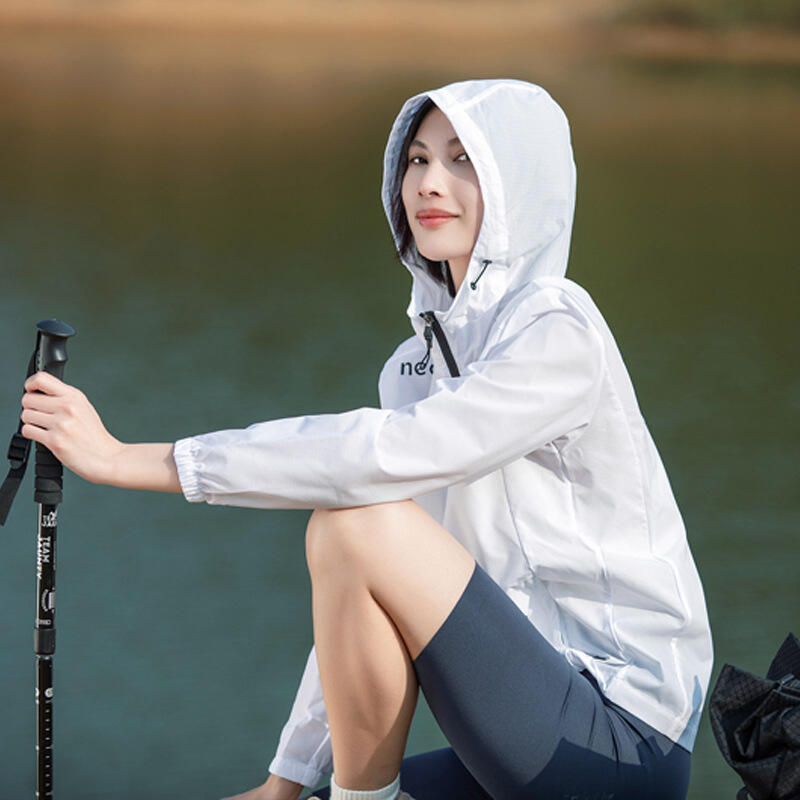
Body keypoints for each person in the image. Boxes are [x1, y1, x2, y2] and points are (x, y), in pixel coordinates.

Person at [20, 79, 713, 800]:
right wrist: (286, 779)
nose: (428, 183)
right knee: (350, 539)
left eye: (462, 160)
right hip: (514, 736)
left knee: (351, 521)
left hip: (617, 741)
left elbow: (375, 464)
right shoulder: (412, 368)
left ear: (518, 186)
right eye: (415, 160)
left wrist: (135, 460)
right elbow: (357, 596)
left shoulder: (558, 329)